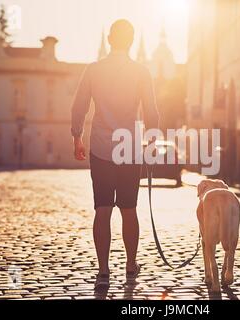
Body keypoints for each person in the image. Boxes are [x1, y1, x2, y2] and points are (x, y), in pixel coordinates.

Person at [70, 19, 159, 289]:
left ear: (110, 40)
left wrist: (77, 137)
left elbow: (80, 105)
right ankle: (131, 265)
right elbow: (152, 110)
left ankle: (104, 269)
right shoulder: (141, 72)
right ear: (130, 41)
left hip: (100, 146)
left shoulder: (94, 70)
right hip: (129, 147)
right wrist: (152, 141)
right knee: (129, 209)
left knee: (103, 208)